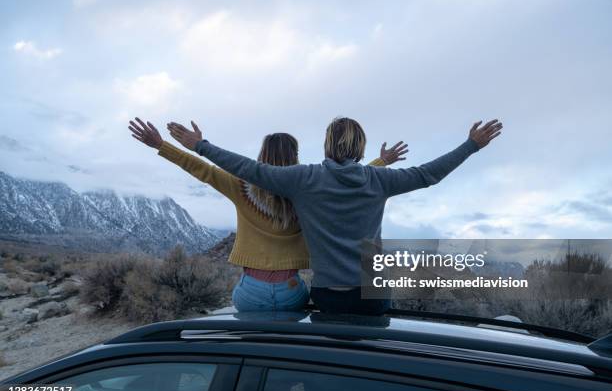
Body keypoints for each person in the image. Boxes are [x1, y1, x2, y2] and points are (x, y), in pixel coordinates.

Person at [165, 117, 502, 315]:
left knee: (326, 375)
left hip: (328, 293)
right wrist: (470, 145)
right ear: (361, 148)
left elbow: (249, 169)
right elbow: (429, 173)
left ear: (327, 144)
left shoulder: (304, 179)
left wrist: (201, 145)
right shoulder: (378, 180)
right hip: (372, 294)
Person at [128, 117, 408, 312]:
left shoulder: (239, 186)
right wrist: (382, 162)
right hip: (291, 289)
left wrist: (161, 146)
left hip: (251, 290)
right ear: (295, 156)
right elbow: (347, 182)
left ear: (261, 154)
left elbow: (201, 169)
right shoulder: (306, 189)